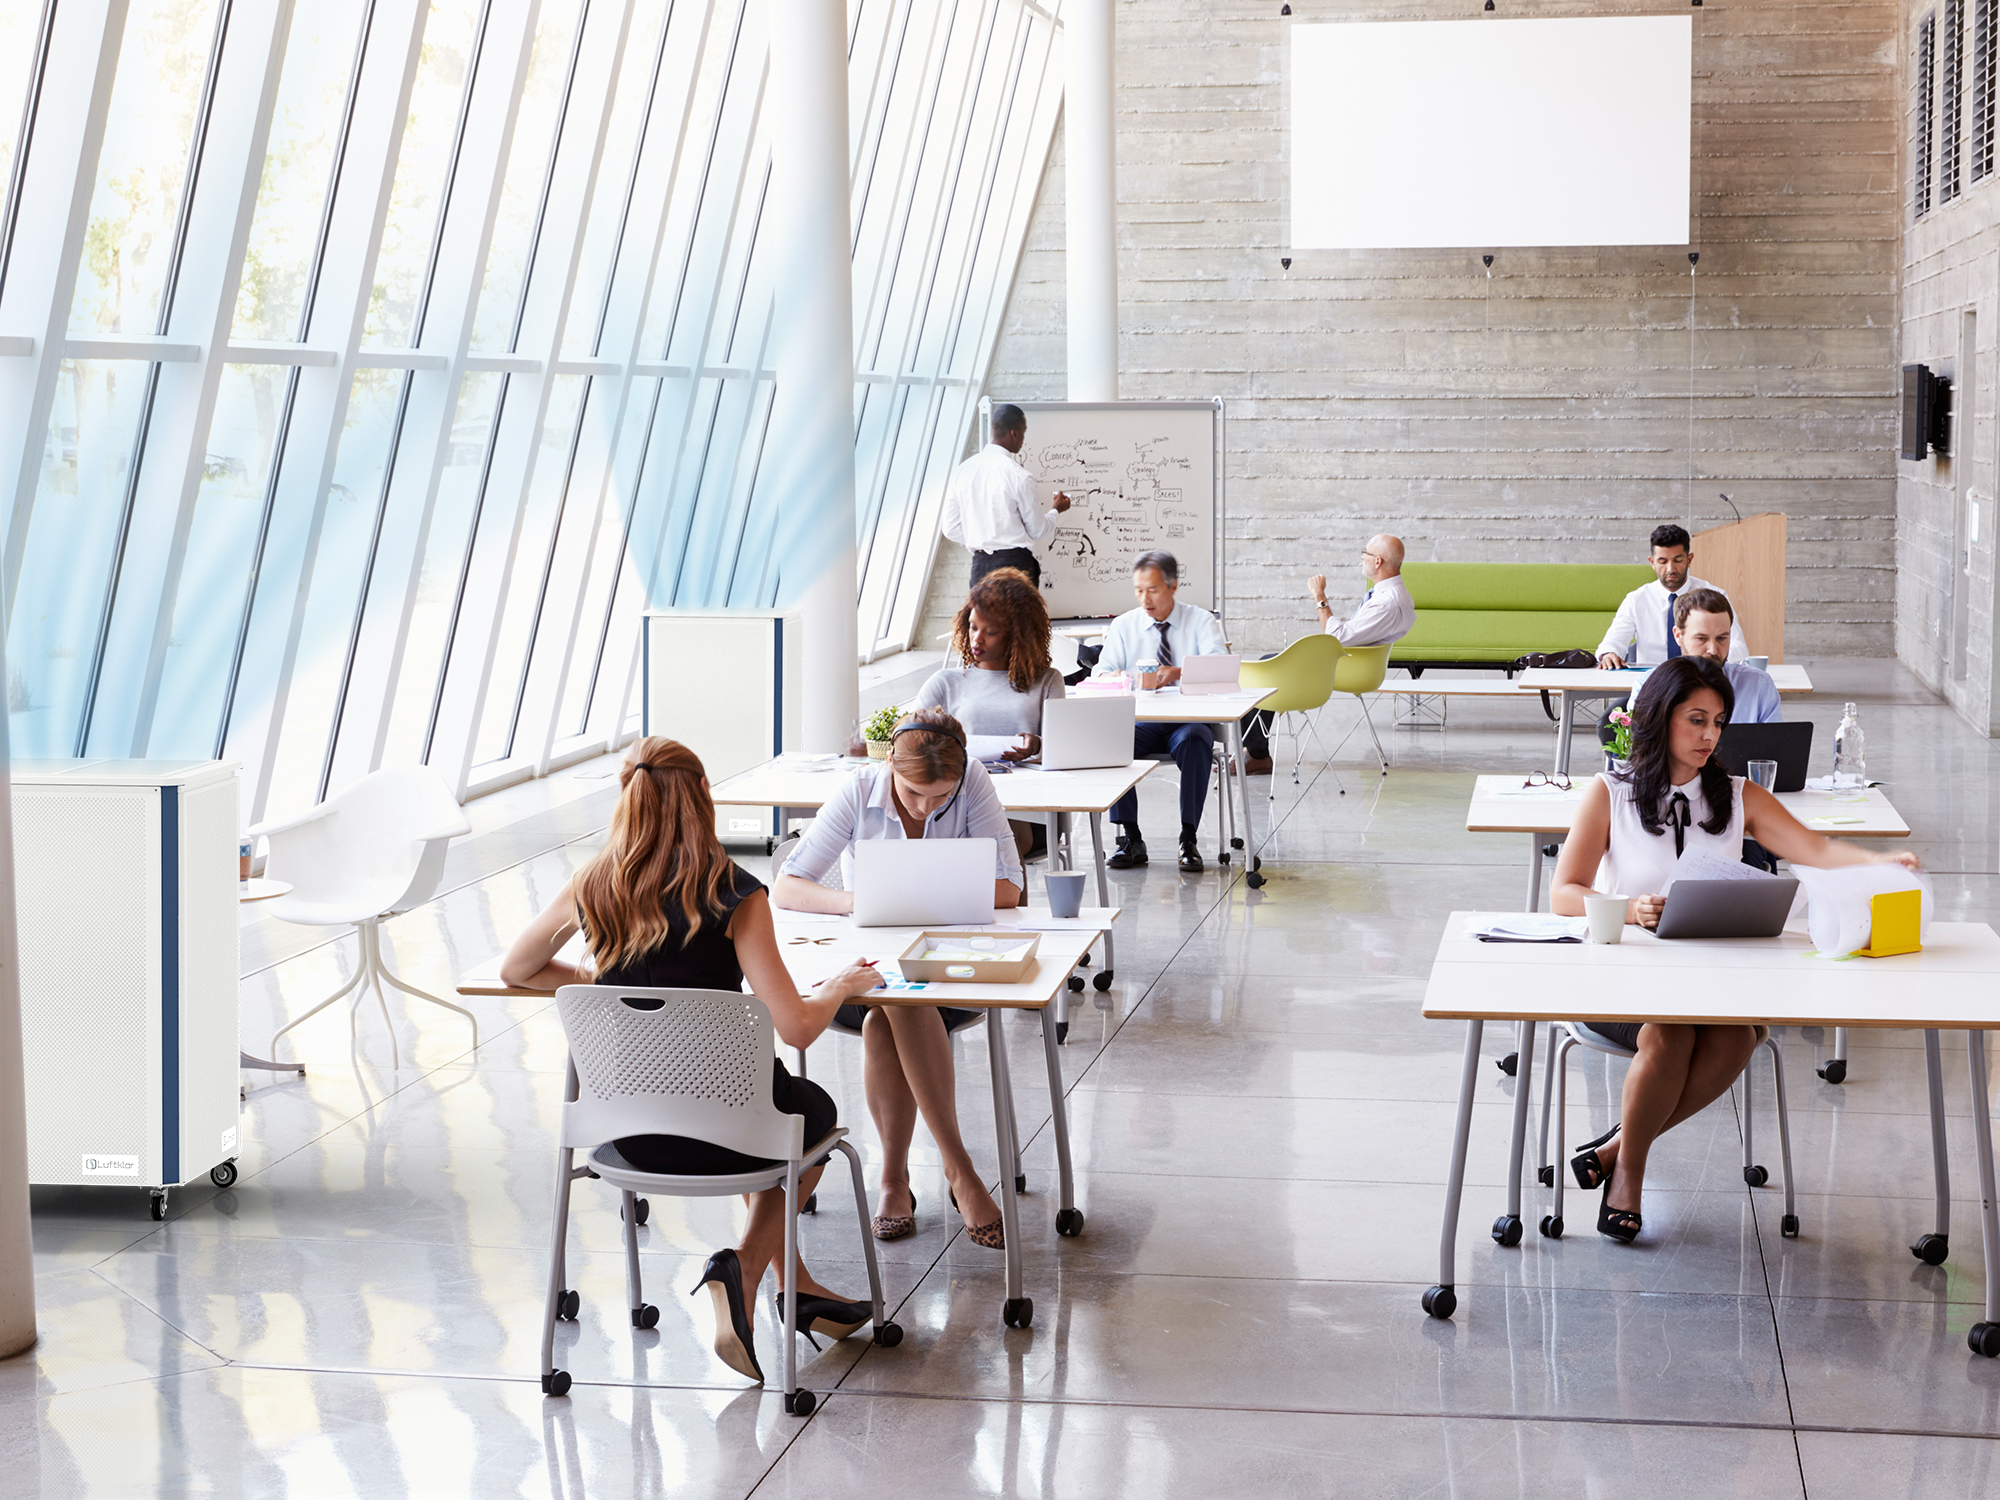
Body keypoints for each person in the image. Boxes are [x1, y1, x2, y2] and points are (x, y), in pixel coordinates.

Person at [499, 738, 885, 1386]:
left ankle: (801, 1289)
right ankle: (743, 1268)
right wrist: (841, 987)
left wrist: (606, 985)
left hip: (630, 1139)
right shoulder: (733, 893)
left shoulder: (593, 883)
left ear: (627, 800)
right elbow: (796, 1027)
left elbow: (518, 969)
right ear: (703, 798)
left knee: (750, 1109)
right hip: (732, 1134)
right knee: (803, 1114)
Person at [1550, 657, 1920, 1245]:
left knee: (1738, 1034)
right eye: (1696, 720)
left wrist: (1879, 862)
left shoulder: (1736, 794)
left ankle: (1619, 1146)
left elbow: (1814, 850)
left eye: (1718, 722)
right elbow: (1564, 892)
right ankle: (1630, 1176)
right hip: (1624, 975)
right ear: (1660, 719)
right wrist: (1628, 908)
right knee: (1669, 1033)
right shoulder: (1610, 792)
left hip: (1711, 977)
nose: (1710, 736)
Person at [772, 708, 1017, 1250]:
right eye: (913, 795)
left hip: (948, 973)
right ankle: (961, 1173)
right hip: (861, 975)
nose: (927, 806)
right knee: (892, 1002)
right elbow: (788, 887)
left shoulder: (973, 781)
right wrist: (856, 902)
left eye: (939, 799)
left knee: (894, 1009)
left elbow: (1010, 889)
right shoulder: (858, 789)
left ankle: (894, 1180)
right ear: (890, 767)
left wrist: (917, 898)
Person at [913, 567, 1065, 864]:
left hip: (1025, 804)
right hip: (955, 794)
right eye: (972, 627)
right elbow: (912, 741)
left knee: (998, 833)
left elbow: (1063, 750)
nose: (977, 639)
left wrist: (1037, 746)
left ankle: (987, 904)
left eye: (990, 631)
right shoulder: (945, 682)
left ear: (1018, 635)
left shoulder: (1047, 681)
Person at [1091, 550, 1227, 873]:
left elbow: (1221, 668)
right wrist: (1124, 677)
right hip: (1142, 723)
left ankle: (1188, 837)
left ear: (1173, 587)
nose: (1144, 598)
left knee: (1195, 739)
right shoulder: (1124, 626)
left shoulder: (1201, 621)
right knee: (1114, 740)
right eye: (1138, 590)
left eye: (1152, 590)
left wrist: (1178, 672)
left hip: (1187, 722)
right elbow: (1100, 672)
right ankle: (1130, 838)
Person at [1243, 534, 1414, 772]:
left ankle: (1255, 754)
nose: (1362, 557)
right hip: (1355, 663)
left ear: (1378, 562)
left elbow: (1339, 638)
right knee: (1268, 662)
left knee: (1264, 669)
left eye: (1365, 553)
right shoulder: (1394, 594)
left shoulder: (1387, 602)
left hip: (1349, 668)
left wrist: (1319, 596)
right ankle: (1251, 749)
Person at [939, 403, 1071, 588]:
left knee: (982, 617)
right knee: (1019, 618)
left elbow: (950, 528)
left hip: (980, 568)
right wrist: (1056, 510)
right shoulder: (1019, 476)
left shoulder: (962, 471)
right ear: (1014, 433)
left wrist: (983, 537)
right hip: (1015, 567)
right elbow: (1037, 530)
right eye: (1023, 433)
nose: (1023, 440)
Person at [1596, 524, 1748, 668]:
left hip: (1702, 679)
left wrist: (1707, 657)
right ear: (1652, 562)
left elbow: (1739, 649)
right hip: (1653, 683)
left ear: (1689, 560)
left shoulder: (1714, 596)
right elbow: (1613, 642)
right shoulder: (1637, 599)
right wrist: (1610, 653)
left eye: (1678, 560)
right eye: (1662, 561)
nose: (1670, 569)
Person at [1673, 588, 1781, 723]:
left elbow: (1773, 743)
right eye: (1701, 638)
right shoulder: (1649, 685)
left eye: (1722, 638)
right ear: (1678, 636)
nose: (1713, 650)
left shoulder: (1759, 685)